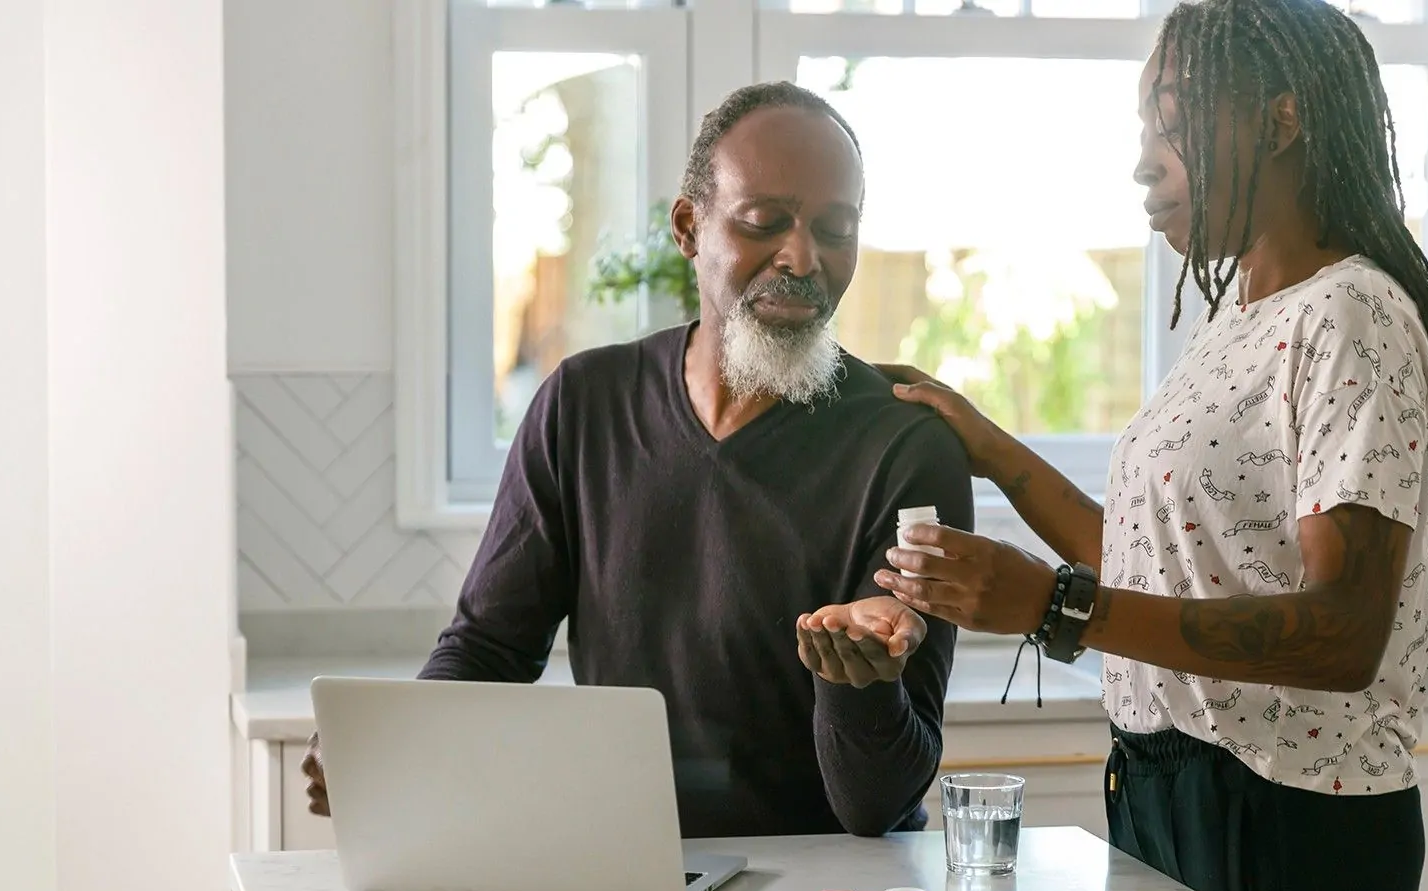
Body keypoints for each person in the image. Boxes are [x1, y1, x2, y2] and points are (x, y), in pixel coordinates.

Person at [872, 2, 1428, 891]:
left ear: (1283, 117)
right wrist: (993, 449)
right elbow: (1169, 564)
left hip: (1290, 816)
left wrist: (1058, 607)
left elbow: (1345, 632)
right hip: (1168, 786)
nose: (1145, 159)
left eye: (1173, 121)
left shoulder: (1353, 314)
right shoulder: (1242, 315)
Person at [301, 82, 974, 839]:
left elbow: (876, 807)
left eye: (835, 227)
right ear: (688, 228)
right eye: (764, 222)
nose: (802, 256)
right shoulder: (582, 404)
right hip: (635, 862)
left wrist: (861, 685)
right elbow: (491, 647)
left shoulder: (906, 448)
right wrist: (396, 745)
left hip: (837, 874)